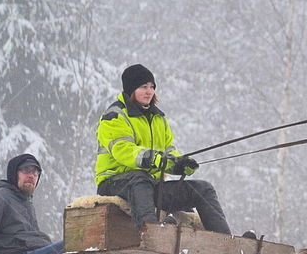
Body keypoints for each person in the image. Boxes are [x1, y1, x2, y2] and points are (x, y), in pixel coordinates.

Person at [96, 64, 248, 236]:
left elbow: (169, 151)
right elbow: (123, 150)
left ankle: (226, 242)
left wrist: (179, 164)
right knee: (139, 179)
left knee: (203, 189)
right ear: (131, 89)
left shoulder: (159, 119)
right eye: (143, 87)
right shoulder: (115, 116)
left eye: (152, 87)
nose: (149, 91)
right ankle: (153, 235)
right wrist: (154, 159)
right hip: (114, 182)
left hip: (148, 185)